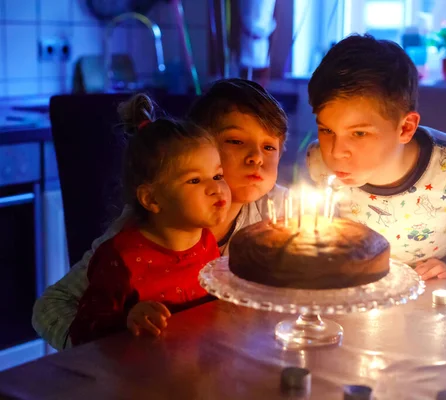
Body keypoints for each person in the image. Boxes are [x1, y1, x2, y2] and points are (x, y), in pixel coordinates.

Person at [33, 79, 289, 349]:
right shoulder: (141, 230)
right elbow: (51, 306)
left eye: (269, 147)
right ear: (195, 145)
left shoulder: (280, 208)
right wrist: (113, 343)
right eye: (236, 140)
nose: (257, 157)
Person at [306, 35, 446, 284]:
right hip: (370, 282)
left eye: (358, 133)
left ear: (405, 128)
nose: (336, 152)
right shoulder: (319, 164)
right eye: (326, 130)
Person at [69, 94, 229, 345]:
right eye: (195, 180)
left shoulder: (206, 241)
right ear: (152, 199)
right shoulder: (120, 259)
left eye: (218, 176)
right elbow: (82, 332)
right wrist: (127, 320)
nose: (216, 188)